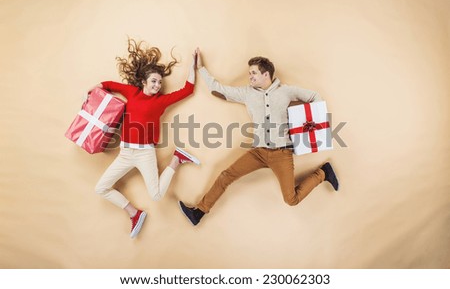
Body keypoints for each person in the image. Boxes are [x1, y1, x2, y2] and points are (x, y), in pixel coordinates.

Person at [178, 49, 339, 226]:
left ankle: (323, 173)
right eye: (249, 73)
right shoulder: (248, 93)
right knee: (226, 176)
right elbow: (218, 90)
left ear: (266, 74)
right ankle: (200, 212)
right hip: (259, 152)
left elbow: (315, 97)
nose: (250, 76)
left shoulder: (286, 91)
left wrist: (308, 123)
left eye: (253, 73)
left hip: (282, 154)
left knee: (290, 200)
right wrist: (201, 68)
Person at [94, 39, 200, 238]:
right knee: (101, 188)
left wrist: (192, 65)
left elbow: (188, 89)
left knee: (157, 195)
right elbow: (107, 85)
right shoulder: (131, 92)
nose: (157, 85)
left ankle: (177, 158)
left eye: (159, 82)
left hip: (144, 153)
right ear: (143, 82)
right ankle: (134, 213)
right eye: (153, 81)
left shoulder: (161, 101)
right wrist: (88, 92)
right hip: (125, 153)